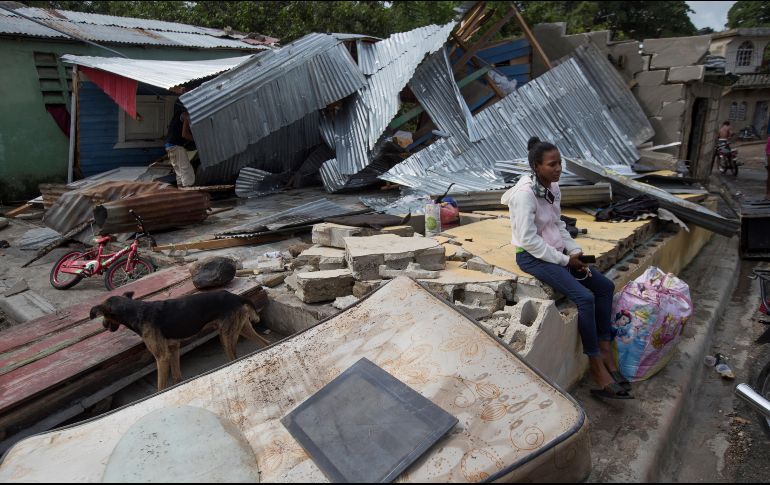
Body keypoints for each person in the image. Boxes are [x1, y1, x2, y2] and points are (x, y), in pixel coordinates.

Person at [501, 137, 633, 400]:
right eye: (552, 164)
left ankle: (605, 349)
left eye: (560, 163)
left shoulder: (553, 187)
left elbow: (558, 225)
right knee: (585, 298)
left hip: (558, 253)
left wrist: (573, 251)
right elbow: (528, 240)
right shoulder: (524, 195)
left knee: (604, 287)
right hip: (532, 257)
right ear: (537, 167)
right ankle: (596, 364)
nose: (558, 168)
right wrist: (564, 261)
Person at [165, 98, 196, 187]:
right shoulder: (186, 116)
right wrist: (197, 140)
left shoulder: (176, 115)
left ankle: (180, 193)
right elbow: (185, 134)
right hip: (176, 145)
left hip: (169, 145)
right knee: (187, 172)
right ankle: (187, 195)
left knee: (179, 172)